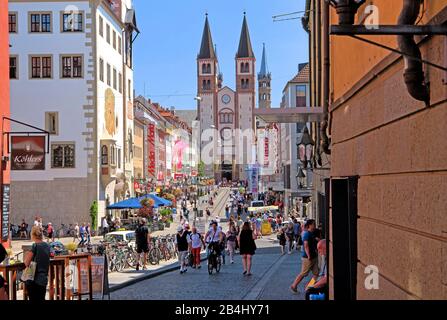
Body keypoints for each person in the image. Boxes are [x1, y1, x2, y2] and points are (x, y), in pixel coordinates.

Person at [290, 219, 319, 293]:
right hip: (308, 257)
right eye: (313, 224)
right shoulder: (306, 233)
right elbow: (306, 245)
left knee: (316, 273)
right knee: (303, 273)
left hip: (314, 256)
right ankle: (294, 286)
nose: (314, 225)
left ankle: (309, 286)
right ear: (309, 225)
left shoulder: (311, 233)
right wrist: (309, 255)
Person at [24, 226, 50, 301]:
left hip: (34, 279)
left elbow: (26, 262)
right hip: (43, 279)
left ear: (33, 235)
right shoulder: (47, 246)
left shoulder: (35, 246)